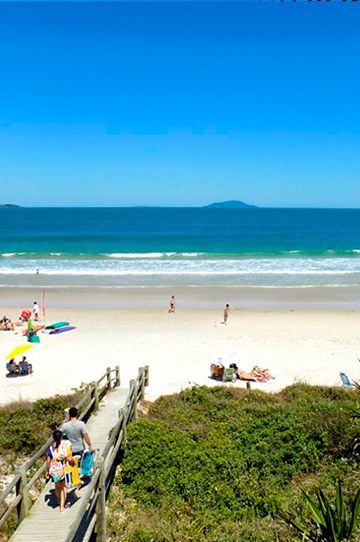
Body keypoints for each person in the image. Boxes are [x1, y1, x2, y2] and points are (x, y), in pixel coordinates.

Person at [46, 430, 73, 513]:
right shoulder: (63, 448)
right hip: (61, 470)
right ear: (61, 437)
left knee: (57, 485)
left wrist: (47, 472)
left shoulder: (50, 449)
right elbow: (68, 458)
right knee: (63, 487)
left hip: (54, 471)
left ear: (53, 438)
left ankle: (58, 500)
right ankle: (62, 506)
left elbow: (48, 461)